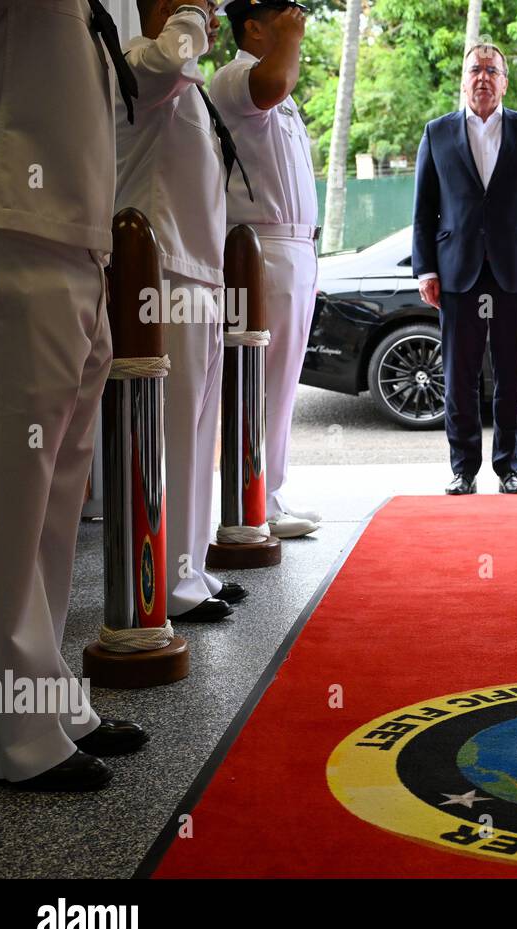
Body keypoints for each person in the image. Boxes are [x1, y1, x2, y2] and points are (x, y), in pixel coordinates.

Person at [0, 0, 147, 792]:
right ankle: (9, 731)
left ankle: (46, 699)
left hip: (79, 240)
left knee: (54, 504)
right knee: (10, 501)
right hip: (12, 223)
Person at [118, 0, 248, 623]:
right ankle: (166, 583)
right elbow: (170, 56)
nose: (211, 18)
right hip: (162, 272)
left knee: (198, 434)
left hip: (199, 273)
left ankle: (188, 571)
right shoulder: (140, 64)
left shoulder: (185, 84)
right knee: (171, 436)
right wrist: (189, 14)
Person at [412, 42, 517, 495]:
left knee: (512, 376)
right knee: (459, 376)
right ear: (463, 78)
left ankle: (510, 468)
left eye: (491, 70)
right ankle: (463, 469)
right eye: (475, 69)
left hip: (515, 272)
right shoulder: (437, 133)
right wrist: (426, 269)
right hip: (457, 272)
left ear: (504, 80)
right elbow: (425, 211)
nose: (482, 77)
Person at [210, 0, 321, 536]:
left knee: (279, 385)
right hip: (261, 248)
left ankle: (266, 498)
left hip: (295, 249)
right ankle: (245, 504)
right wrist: (290, 40)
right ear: (253, 25)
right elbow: (270, 84)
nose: (295, 19)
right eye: (281, 15)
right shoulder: (236, 76)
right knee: (254, 382)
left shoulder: (280, 86)